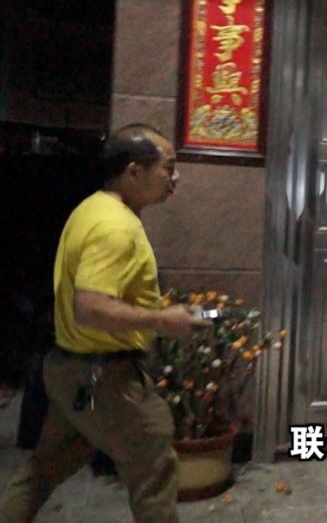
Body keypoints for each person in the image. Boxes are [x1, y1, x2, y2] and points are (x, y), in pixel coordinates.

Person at [0, 124, 210, 523]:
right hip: (104, 377)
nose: (176, 177)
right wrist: (162, 319)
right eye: (168, 167)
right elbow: (90, 307)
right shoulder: (115, 227)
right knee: (154, 463)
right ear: (134, 172)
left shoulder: (91, 209)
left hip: (70, 370)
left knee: (42, 470)